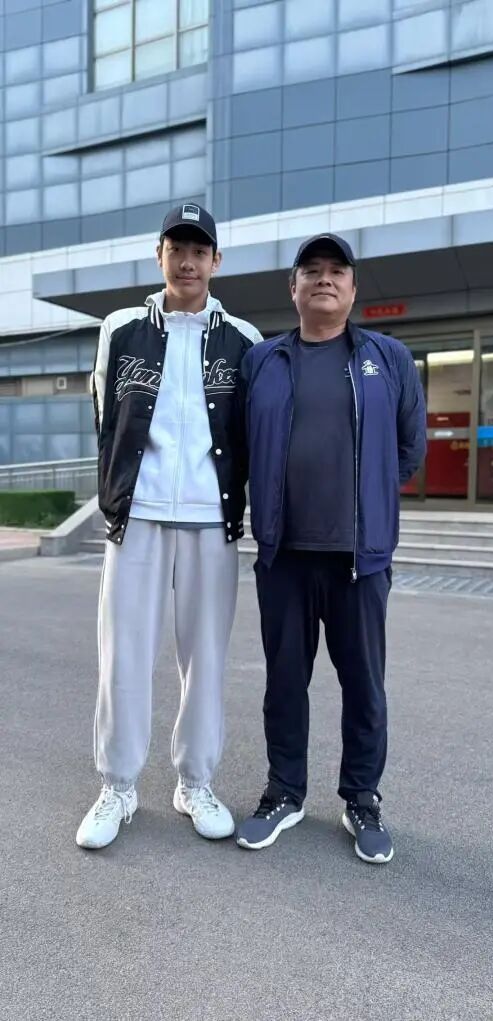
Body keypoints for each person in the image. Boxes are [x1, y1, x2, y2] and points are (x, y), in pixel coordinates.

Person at [76, 203, 262, 850]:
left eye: (199, 250)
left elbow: (249, 431)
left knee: (205, 660)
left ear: (216, 261)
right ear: (159, 255)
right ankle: (118, 786)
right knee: (123, 656)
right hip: (139, 516)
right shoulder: (122, 328)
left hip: (211, 518)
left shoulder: (244, 338)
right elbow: (105, 417)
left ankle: (195, 782)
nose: (187, 261)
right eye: (176, 249)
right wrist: (115, 496)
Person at [236, 233, 426, 864]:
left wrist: (367, 498)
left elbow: (409, 448)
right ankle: (284, 793)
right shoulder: (263, 361)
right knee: (285, 682)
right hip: (284, 556)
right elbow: (241, 444)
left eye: (336, 270)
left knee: (363, 685)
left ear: (353, 287)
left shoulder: (387, 358)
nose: (324, 278)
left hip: (358, 560)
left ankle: (361, 799)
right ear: (292, 288)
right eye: (311, 270)